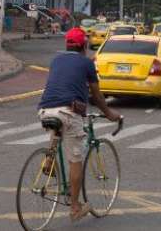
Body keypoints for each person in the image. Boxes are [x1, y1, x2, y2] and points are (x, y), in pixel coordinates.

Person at [37, 27, 121, 222]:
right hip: (68, 111)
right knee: (76, 158)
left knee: (59, 127)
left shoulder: (56, 60)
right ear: (84, 45)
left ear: (67, 44)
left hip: (45, 110)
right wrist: (108, 113)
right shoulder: (87, 63)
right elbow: (97, 94)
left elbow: (65, 84)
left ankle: (49, 160)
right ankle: (75, 207)